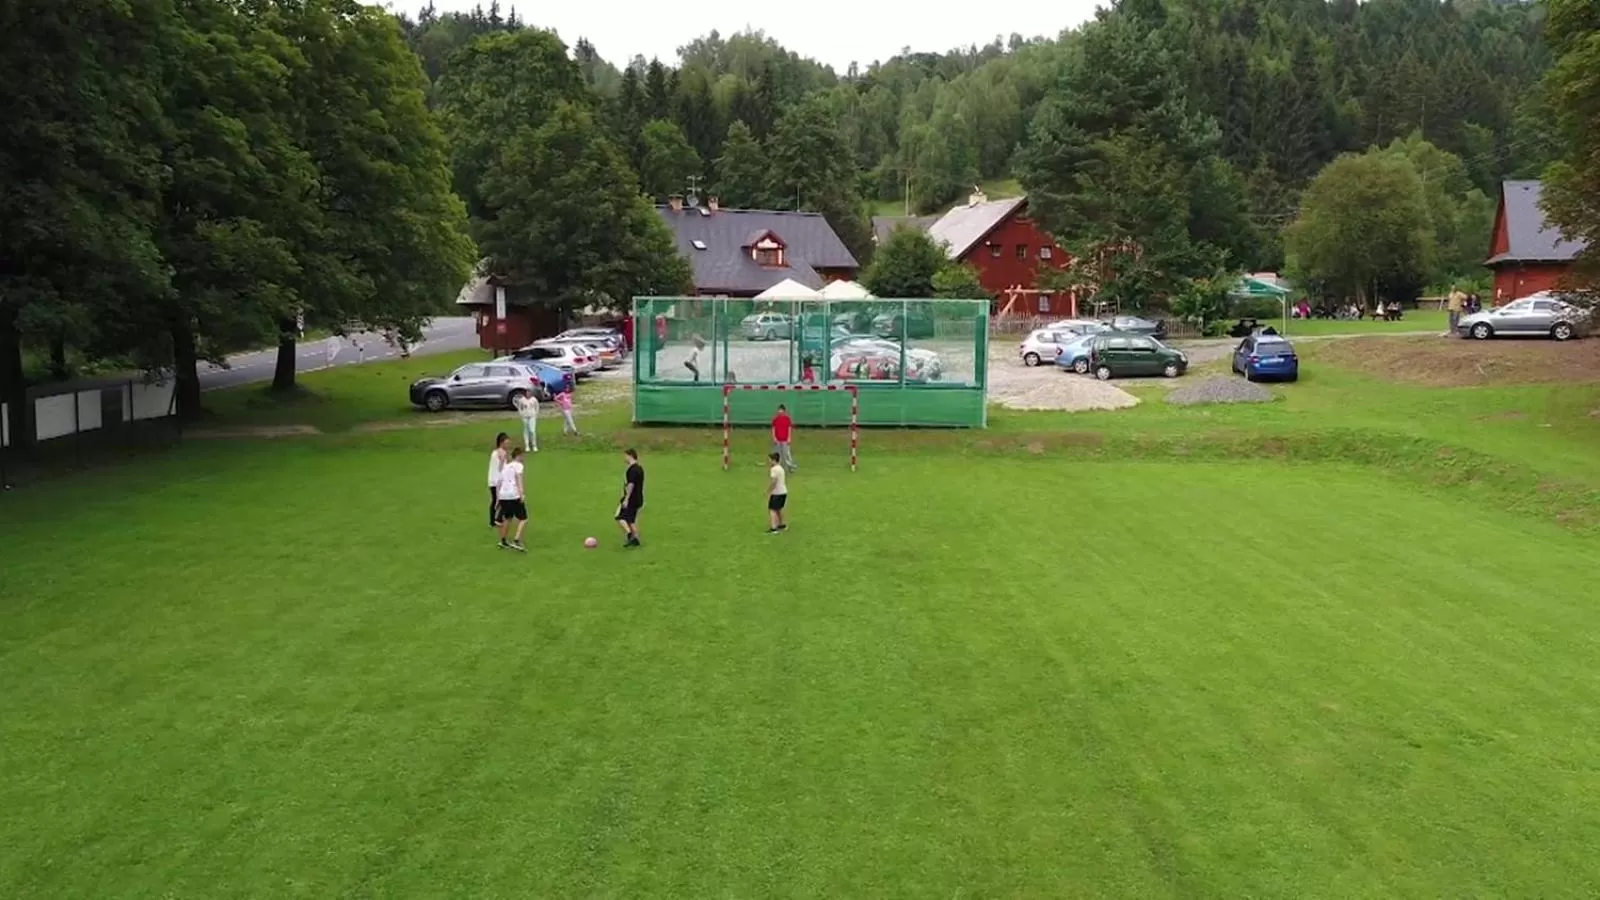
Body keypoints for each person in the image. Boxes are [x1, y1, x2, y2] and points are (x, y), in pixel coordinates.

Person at [495, 447, 528, 551]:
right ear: (518, 456)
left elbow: (499, 483)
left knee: (508, 518)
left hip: (503, 495)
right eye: (522, 456)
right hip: (513, 495)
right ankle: (516, 540)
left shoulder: (506, 466)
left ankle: (503, 541)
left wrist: (498, 499)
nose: (523, 458)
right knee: (523, 518)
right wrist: (521, 493)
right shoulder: (518, 466)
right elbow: (519, 479)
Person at [616, 448, 645, 548]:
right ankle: (636, 539)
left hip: (631, 499)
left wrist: (626, 499)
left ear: (630, 455)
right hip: (638, 498)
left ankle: (630, 536)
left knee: (619, 517)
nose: (624, 458)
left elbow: (631, 485)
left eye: (625, 456)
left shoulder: (632, 470)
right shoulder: (640, 468)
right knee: (631, 520)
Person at [487, 432, 509, 528]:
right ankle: (497, 519)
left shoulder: (495, 452)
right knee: (501, 499)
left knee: (497, 500)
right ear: (501, 443)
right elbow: (500, 468)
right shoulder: (501, 453)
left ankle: (495, 520)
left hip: (493, 480)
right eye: (506, 443)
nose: (508, 445)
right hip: (497, 481)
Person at [766, 451, 789, 534]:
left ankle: (774, 527)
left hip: (777, 493)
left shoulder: (774, 469)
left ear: (773, 460)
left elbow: (774, 481)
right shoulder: (781, 468)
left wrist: (768, 490)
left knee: (772, 509)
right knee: (778, 509)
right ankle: (782, 524)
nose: (769, 461)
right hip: (783, 492)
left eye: (770, 460)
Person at [770, 403, 797, 471]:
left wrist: (789, 438)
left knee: (787, 454)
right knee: (777, 453)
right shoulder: (775, 419)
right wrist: (774, 438)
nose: (780, 411)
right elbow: (773, 429)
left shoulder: (787, 419)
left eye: (781, 410)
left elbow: (789, 428)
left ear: (784, 411)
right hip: (778, 440)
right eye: (779, 410)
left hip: (785, 439)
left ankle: (790, 466)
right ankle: (777, 466)